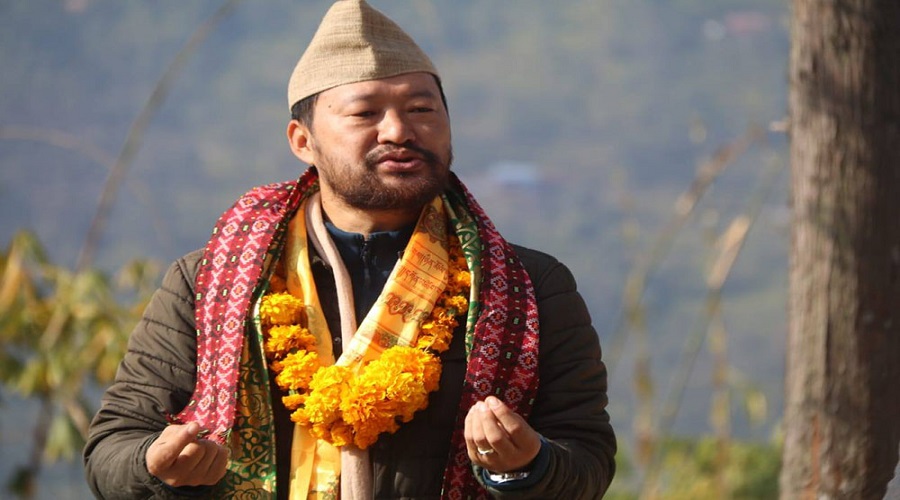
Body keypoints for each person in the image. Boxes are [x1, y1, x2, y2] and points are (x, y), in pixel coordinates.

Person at [83, 1, 616, 498]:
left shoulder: (528, 285)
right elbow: (114, 445)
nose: (399, 131)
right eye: (365, 114)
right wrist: (156, 465)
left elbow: (587, 456)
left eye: (422, 109)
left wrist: (525, 465)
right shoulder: (210, 281)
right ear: (302, 141)